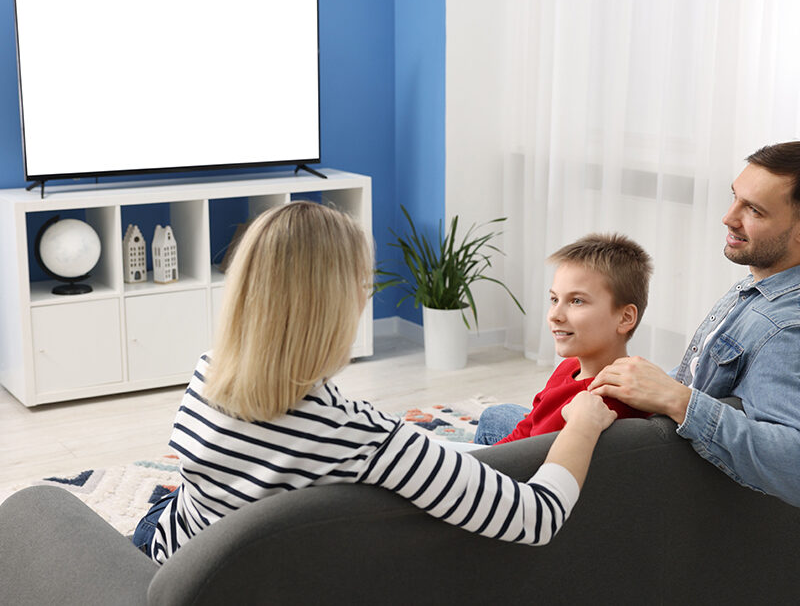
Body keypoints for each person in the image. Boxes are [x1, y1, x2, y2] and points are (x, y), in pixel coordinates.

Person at [132, 201, 617, 564]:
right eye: (362, 287)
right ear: (337, 306)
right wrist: (582, 424)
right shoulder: (358, 436)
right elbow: (535, 518)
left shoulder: (208, 371)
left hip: (170, 552)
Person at [587, 142, 800, 506]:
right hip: (659, 448)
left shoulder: (784, 328)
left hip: (665, 484)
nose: (729, 217)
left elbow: (792, 465)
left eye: (754, 210)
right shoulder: (762, 288)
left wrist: (677, 399)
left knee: (498, 422)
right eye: (735, 197)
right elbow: (703, 376)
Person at [474, 234, 653, 446]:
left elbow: (537, 461)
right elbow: (528, 426)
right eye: (554, 299)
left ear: (625, 318)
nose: (554, 315)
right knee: (494, 415)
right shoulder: (569, 366)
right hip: (536, 442)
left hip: (547, 461)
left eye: (576, 301)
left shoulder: (604, 405)